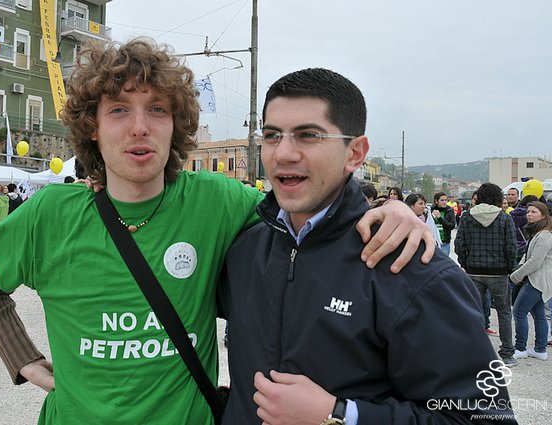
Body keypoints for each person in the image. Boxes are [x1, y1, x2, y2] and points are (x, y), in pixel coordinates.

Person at [0, 39, 433, 424]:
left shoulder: (218, 201)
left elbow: (309, 214)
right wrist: (21, 358)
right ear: (91, 127)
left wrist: (388, 211)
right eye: (118, 111)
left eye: (158, 110)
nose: (140, 128)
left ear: (177, 124)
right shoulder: (50, 213)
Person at [218, 68, 514, 424]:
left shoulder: (413, 269)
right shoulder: (244, 251)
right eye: (271, 135)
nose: (283, 153)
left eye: (308, 135)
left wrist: (340, 415)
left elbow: (484, 416)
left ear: (355, 153)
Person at [455, 183, 518, 366]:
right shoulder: (505, 218)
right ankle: (507, 354)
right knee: (504, 313)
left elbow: (460, 244)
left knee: (473, 312)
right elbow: (511, 247)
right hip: (499, 273)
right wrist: (509, 268)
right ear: (498, 198)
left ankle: (474, 352)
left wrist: (465, 263)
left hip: (474, 271)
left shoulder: (467, 217)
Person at [509, 201, 552, 361]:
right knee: (539, 314)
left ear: (543, 215)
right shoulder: (539, 233)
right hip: (538, 280)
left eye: (533, 212)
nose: (529, 214)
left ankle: (520, 348)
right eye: (528, 212)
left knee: (519, 312)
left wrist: (515, 276)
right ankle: (540, 349)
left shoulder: (545, 236)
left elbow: (535, 262)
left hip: (537, 280)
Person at [431, 191, 456, 256]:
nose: (444, 202)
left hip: (445, 243)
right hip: (433, 242)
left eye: (445, 200)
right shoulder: (430, 210)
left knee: (444, 265)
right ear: (436, 201)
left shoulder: (449, 211)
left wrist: (440, 218)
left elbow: (451, 226)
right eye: (442, 200)